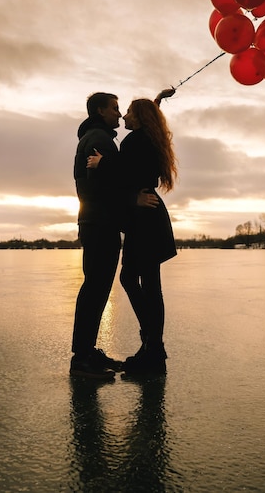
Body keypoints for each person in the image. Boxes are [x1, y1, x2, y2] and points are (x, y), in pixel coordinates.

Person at [87, 88, 177, 374]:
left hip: (147, 218)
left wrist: (103, 162)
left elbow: (127, 171)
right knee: (145, 284)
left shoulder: (136, 140)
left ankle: (153, 350)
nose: (124, 114)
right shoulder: (147, 137)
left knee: (141, 282)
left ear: (138, 118)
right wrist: (157, 101)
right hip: (147, 216)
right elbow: (134, 168)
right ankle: (152, 348)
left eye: (128, 111)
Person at [71, 92, 158, 379]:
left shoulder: (98, 136)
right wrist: (133, 199)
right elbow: (104, 184)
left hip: (98, 222)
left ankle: (87, 351)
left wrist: (155, 103)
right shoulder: (99, 139)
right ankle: (82, 359)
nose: (119, 114)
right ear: (100, 110)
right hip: (100, 224)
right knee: (95, 288)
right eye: (114, 108)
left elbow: (118, 174)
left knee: (96, 288)